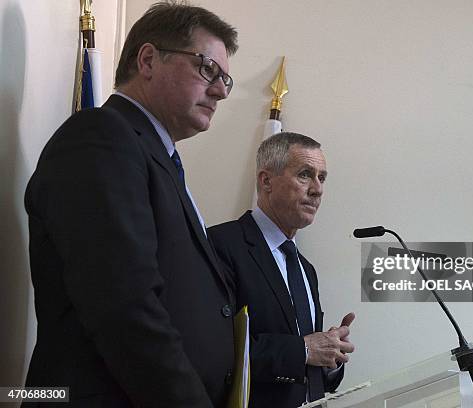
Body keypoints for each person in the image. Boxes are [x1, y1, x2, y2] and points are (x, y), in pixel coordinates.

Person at [24, 3, 238, 407]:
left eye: (226, 80)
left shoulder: (155, 156)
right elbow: (124, 304)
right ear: (148, 60)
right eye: (208, 68)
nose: (221, 91)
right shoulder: (101, 137)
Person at [208, 132, 355, 408]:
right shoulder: (221, 245)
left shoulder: (305, 269)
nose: (317, 189)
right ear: (266, 181)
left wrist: (330, 357)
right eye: (305, 175)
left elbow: (307, 361)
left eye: (322, 178)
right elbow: (215, 350)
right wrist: (304, 350)